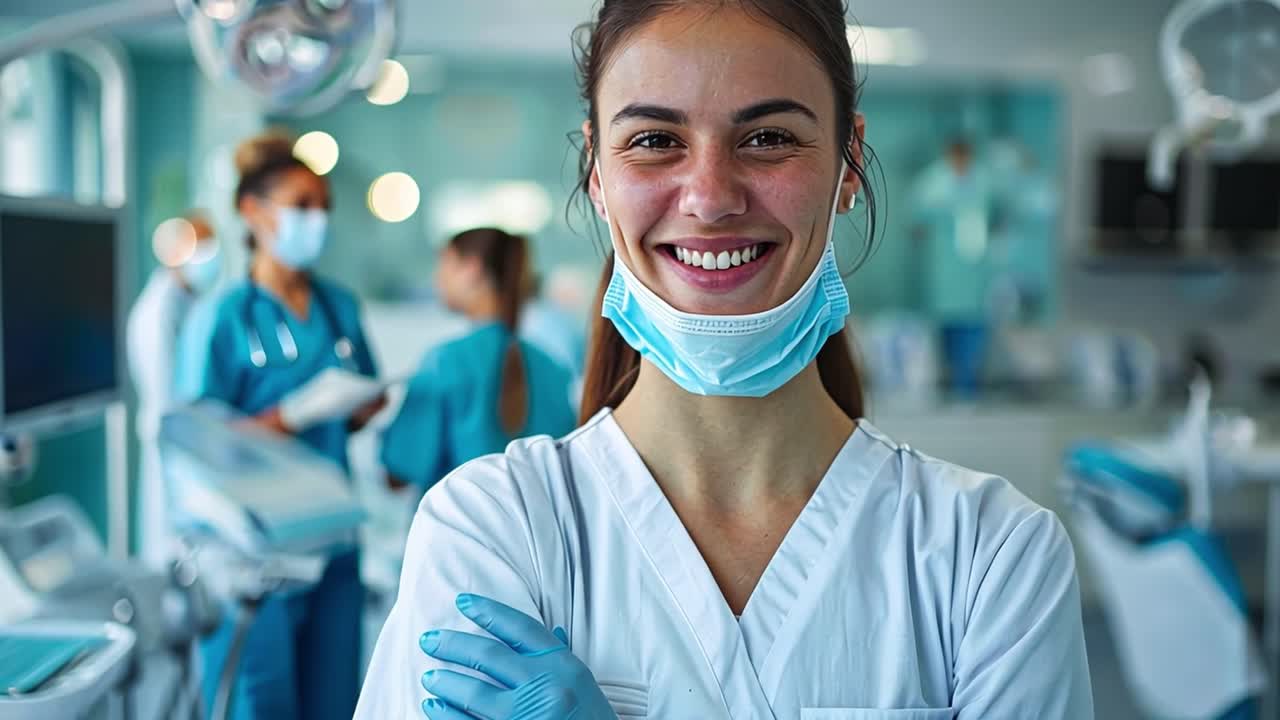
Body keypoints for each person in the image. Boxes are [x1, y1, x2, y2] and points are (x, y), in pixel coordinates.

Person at [357, 1, 1094, 717]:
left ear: (848, 166)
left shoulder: (990, 558)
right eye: (653, 141)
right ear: (597, 177)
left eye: (769, 137)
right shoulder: (494, 528)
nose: (710, 198)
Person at [174, 130, 382, 720]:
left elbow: (360, 405)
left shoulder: (340, 306)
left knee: (334, 701)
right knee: (259, 703)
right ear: (253, 212)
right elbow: (196, 443)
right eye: (301, 206)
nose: (317, 220)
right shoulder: (223, 318)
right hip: (254, 552)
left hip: (335, 538)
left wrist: (358, 407)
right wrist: (289, 416)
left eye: (323, 208)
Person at [382, 228, 576, 496]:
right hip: (533, 536)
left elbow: (399, 474)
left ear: (472, 268)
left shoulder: (445, 362)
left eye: (445, 264)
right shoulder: (553, 370)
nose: (437, 278)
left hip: (454, 536)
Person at [128, 211, 222, 570]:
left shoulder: (193, 304)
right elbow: (168, 400)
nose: (209, 255)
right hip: (173, 446)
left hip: (194, 445)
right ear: (174, 249)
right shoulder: (158, 310)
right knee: (172, 555)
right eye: (201, 245)